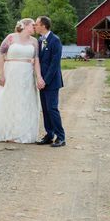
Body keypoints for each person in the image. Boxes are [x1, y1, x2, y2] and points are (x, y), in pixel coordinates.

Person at [0, 18, 45, 143]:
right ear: (25, 25)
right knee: (8, 100)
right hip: (10, 72)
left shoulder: (34, 42)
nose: (35, 27)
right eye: (33, 25)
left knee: (24, 102)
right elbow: (0, 56)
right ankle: (5, 132)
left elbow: (37, 60)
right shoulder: (10, 38)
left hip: (26, 75)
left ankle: (20, 134)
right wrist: (1, 74)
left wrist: (39, 77)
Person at [34, 16, 66, 148]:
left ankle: (61, 137)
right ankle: (49, 135)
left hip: (52, 82)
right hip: (42, 81)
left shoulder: (55, 40)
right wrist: (39, 78)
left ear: (43, 25)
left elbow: (54, 64)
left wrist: (44, 80)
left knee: (52, 109)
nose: (35, 26)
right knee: (45, 110)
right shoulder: (40, 41)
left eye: (36, 24)